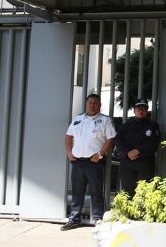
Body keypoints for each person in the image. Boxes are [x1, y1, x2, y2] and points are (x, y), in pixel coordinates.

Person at [62, 93, 116, 230]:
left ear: (100, 105)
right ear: (86, 104)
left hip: (94, 163)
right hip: (77, 162)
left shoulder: (105, 120)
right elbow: (68, 136)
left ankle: (98, 219)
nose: (92, 105)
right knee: (77, 191)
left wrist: (100, 154)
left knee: (96, 191)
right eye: (90, 102)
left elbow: (111, 139)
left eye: (95, 103)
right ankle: (74, 219)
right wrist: (69, 152)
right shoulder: (77, 119)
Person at [115, 98, 160, 196]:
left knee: (144, 194)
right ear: (134, 110)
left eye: (143, 108)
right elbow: (119, 142)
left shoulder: (153, 126)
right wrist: (127, 152)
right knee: (127, 193)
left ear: (147, 110)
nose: (141, 111)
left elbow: (154, 143)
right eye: (138, 108)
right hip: (127, 164)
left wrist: (138, 151)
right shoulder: (125, 126)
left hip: (145, 164)